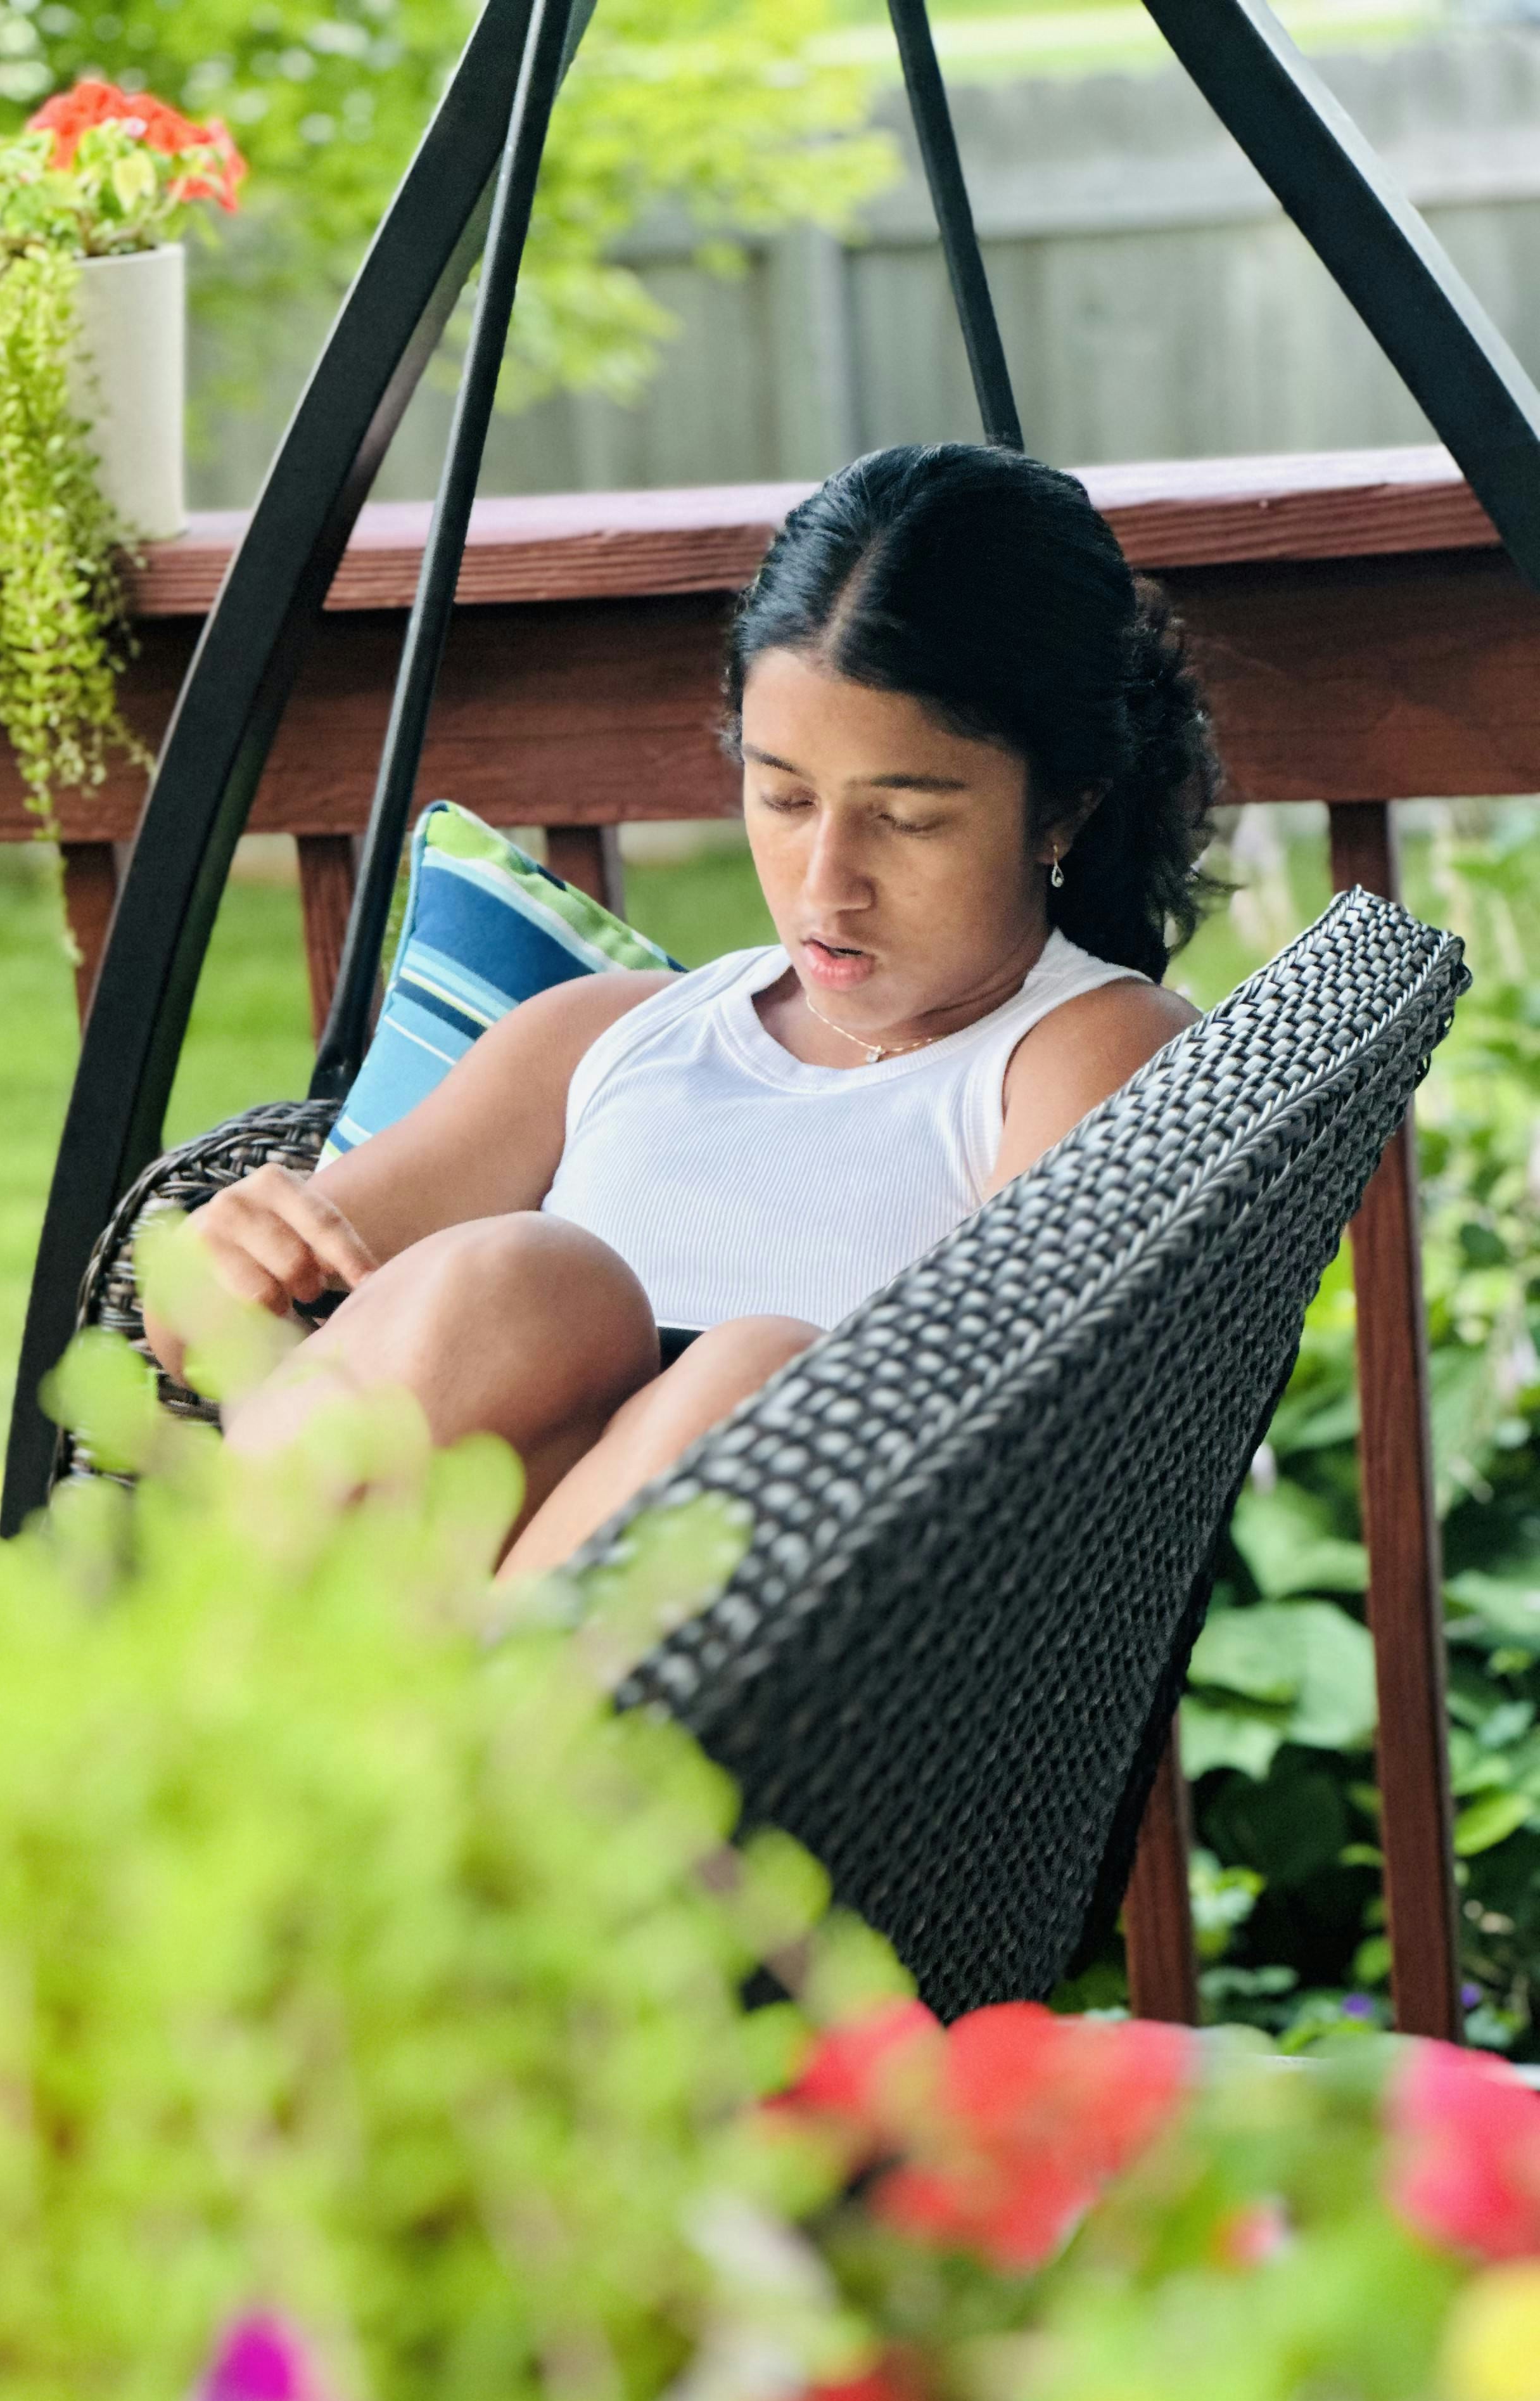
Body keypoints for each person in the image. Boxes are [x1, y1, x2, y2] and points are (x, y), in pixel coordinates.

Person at [145, 441, 1221, 1575]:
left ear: (1062, 810)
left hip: (805, 1651)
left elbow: (1040, 1452)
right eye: (785, 798)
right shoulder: (600, 1036)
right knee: (529, 1282)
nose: (825, 885)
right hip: (383, 1595)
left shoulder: (1090, 1051)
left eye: (906, 820)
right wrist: (223, 1265)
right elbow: (214, 1324)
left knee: (754, 1375)